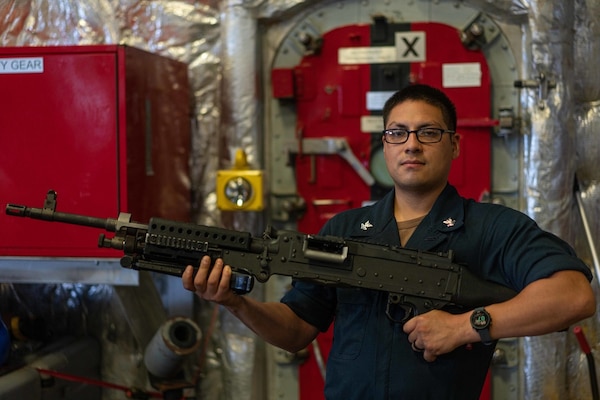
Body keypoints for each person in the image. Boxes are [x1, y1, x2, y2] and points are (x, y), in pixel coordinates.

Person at [182, 84, 596, 399]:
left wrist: (466, 326)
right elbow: (296, 330)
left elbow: (573, 296)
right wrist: (234, 301)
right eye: (398, 133)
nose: (411, 144)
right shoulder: (344, 229)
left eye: (428, 132)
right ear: (385, 145)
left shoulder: (491, 227)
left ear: (454, 144)